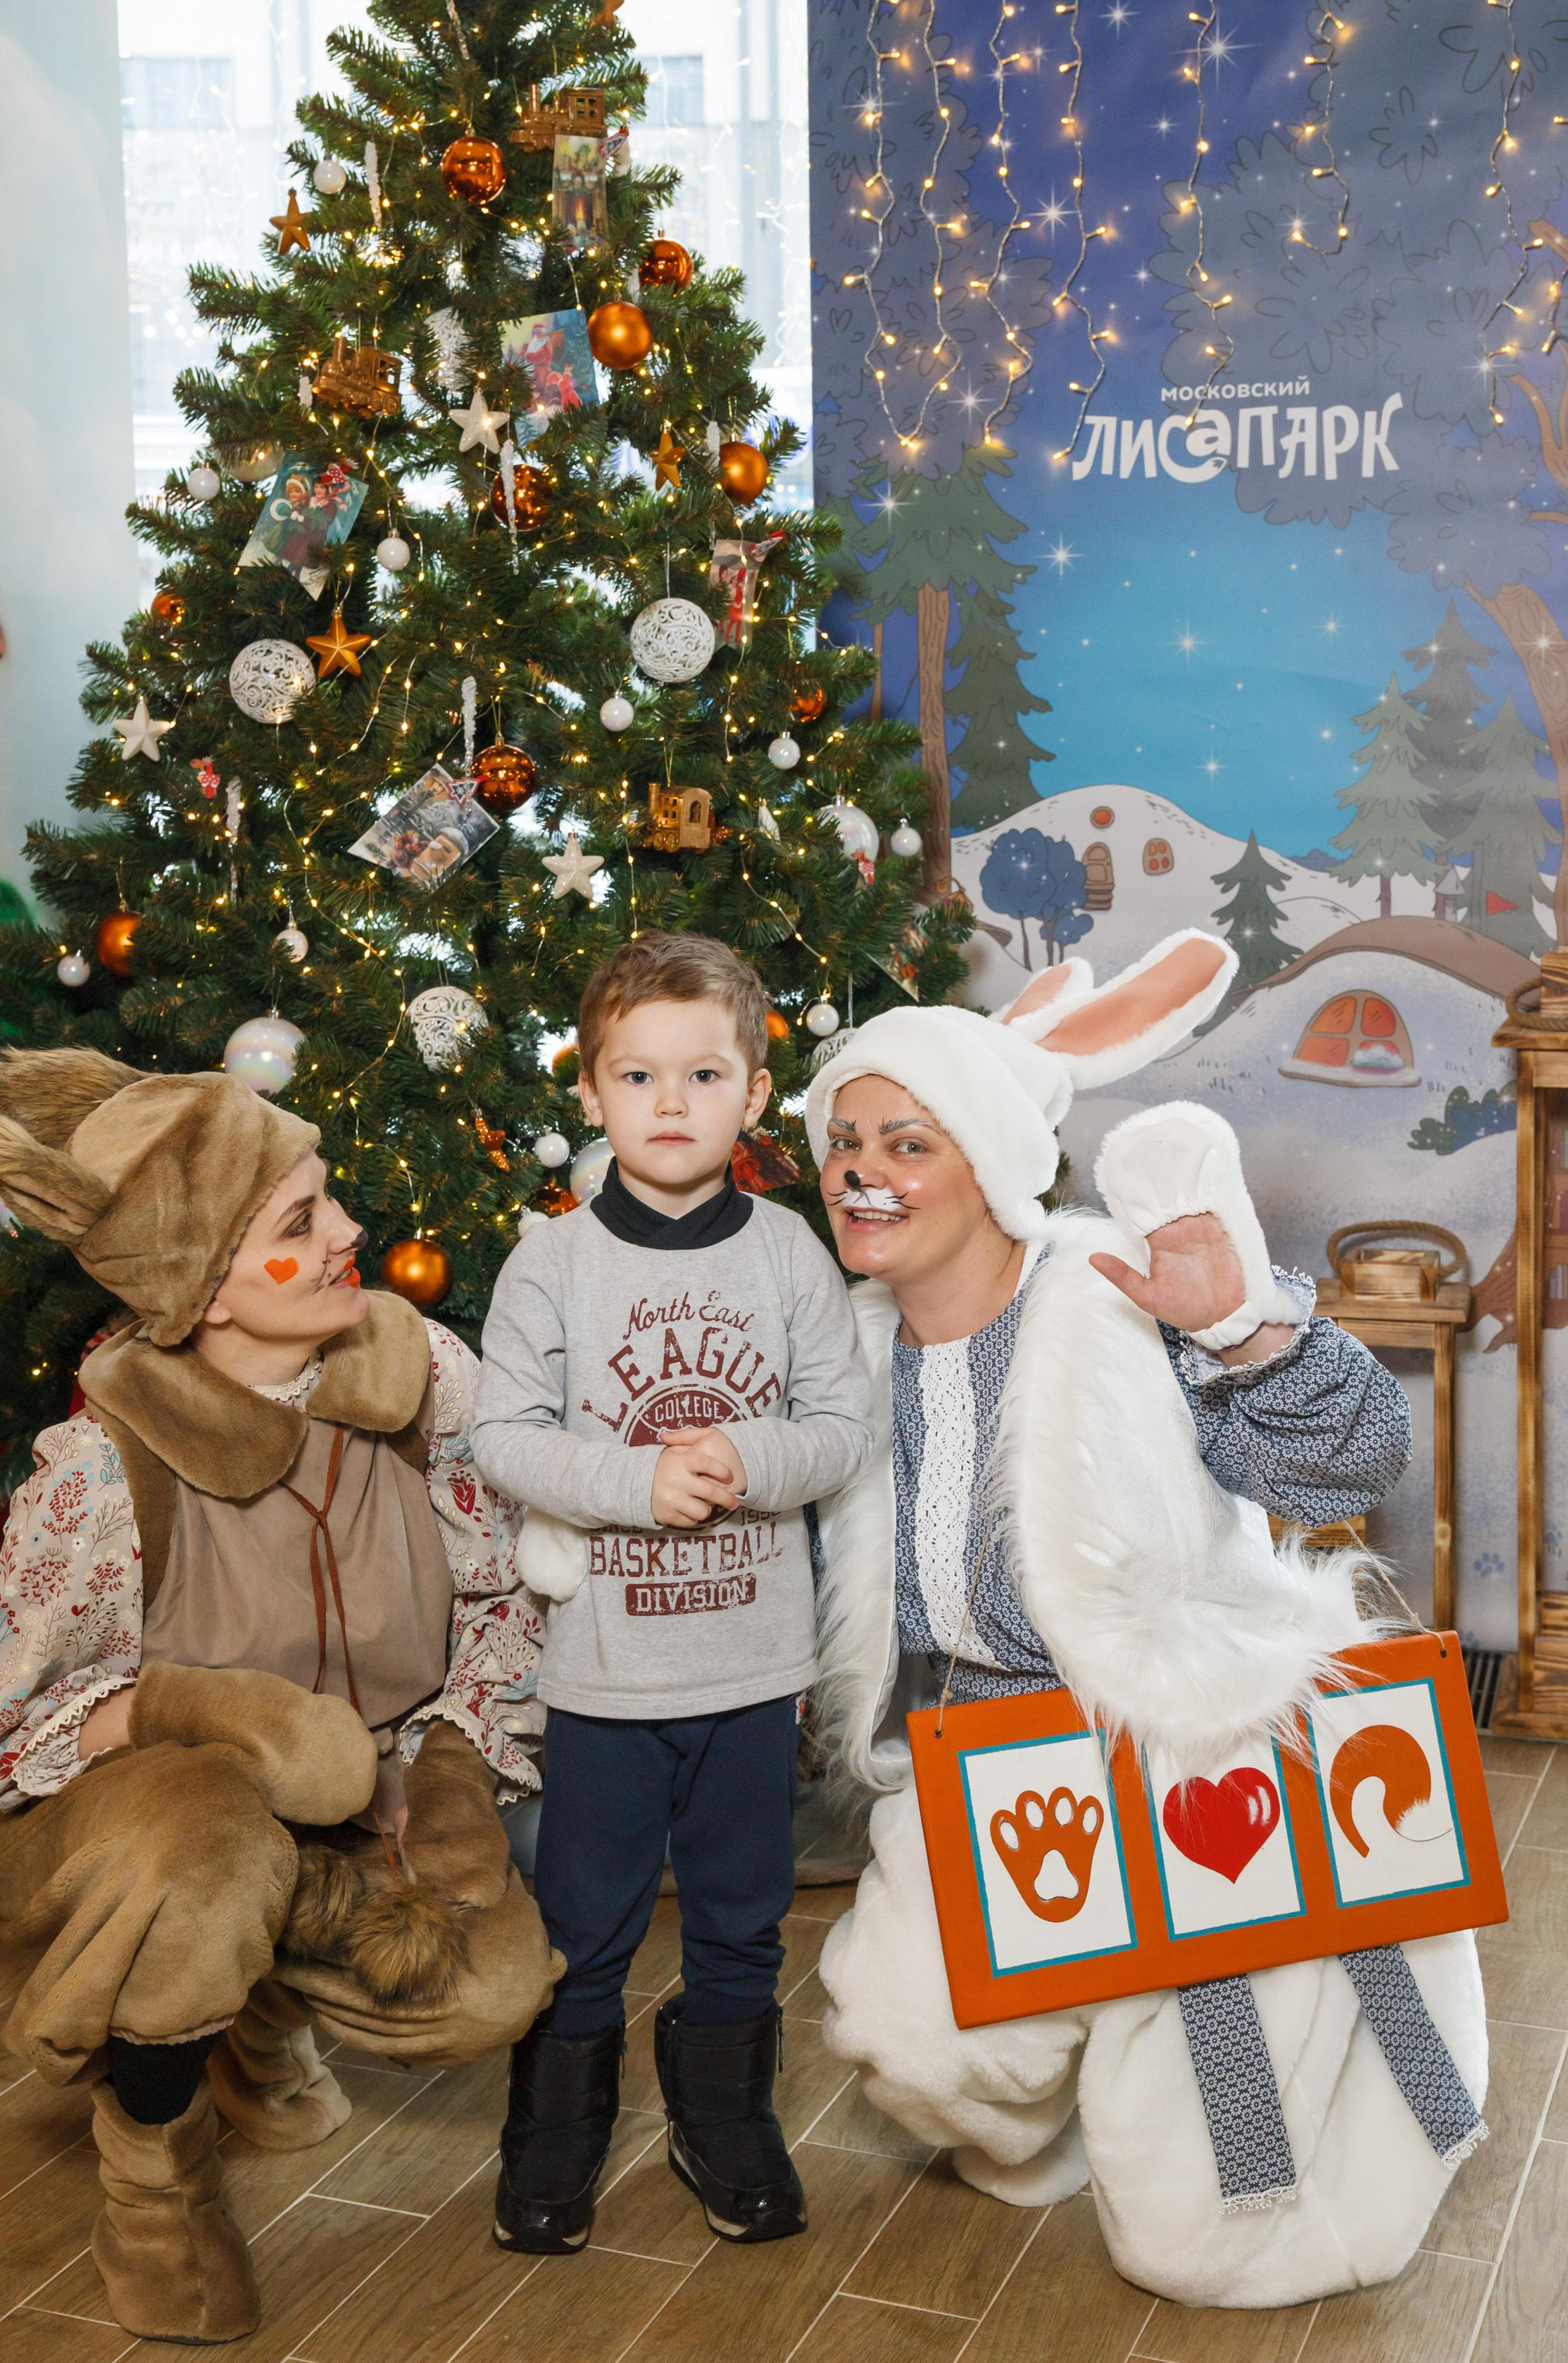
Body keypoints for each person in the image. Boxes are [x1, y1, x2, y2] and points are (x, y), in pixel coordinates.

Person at [801, 933, 1489, 2311]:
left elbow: (1351, 1465)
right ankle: (1066, 2087)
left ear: (993, 1161)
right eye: (845, 1139)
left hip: (1194, 1760)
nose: (862, 1169)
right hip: (994, 1765)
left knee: (1204, 2238)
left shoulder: (1111, 1303)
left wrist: (1244, 1331)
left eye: (908, 1142)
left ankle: (1207, 2092)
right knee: (902, 2036)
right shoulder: (845, 1347)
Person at [0, 1049, 556, 2345]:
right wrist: (200, 1713)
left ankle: (245, 2001)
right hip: (124, 1806)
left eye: (328, 1195)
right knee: (208, 1845)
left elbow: (508, 1596)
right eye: (300, 1221)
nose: (351, 1229)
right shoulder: (99, 1477)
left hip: (360, 1788)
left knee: (491, 1985)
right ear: (198, 1291)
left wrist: (454, 1756)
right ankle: (153, 2161)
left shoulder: (424, 1385)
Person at [473, 932, 874, 2255]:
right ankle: (557, 2129)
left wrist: (751, 1458)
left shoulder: (790, 1255)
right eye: (636, 1077)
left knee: (742, 1912)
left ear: (755, 1094)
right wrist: (630, 1481)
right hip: (607, 1677)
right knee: (586, 1919)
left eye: (703, 1075)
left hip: (752, 1671)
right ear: (589, 1093)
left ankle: (726, 2115)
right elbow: (506, 1436)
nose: (670, 1104)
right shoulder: (553, 1264)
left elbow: (842, 1425)